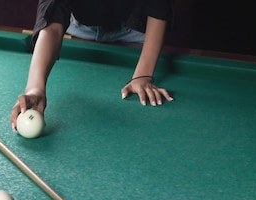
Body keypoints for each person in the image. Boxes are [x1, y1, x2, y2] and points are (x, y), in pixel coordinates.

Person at [11, 0, 174, 130]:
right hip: (82, 29)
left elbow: (158, 5)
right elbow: (52, 22)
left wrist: (142, 75)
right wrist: (35, 88)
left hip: (133, 30)